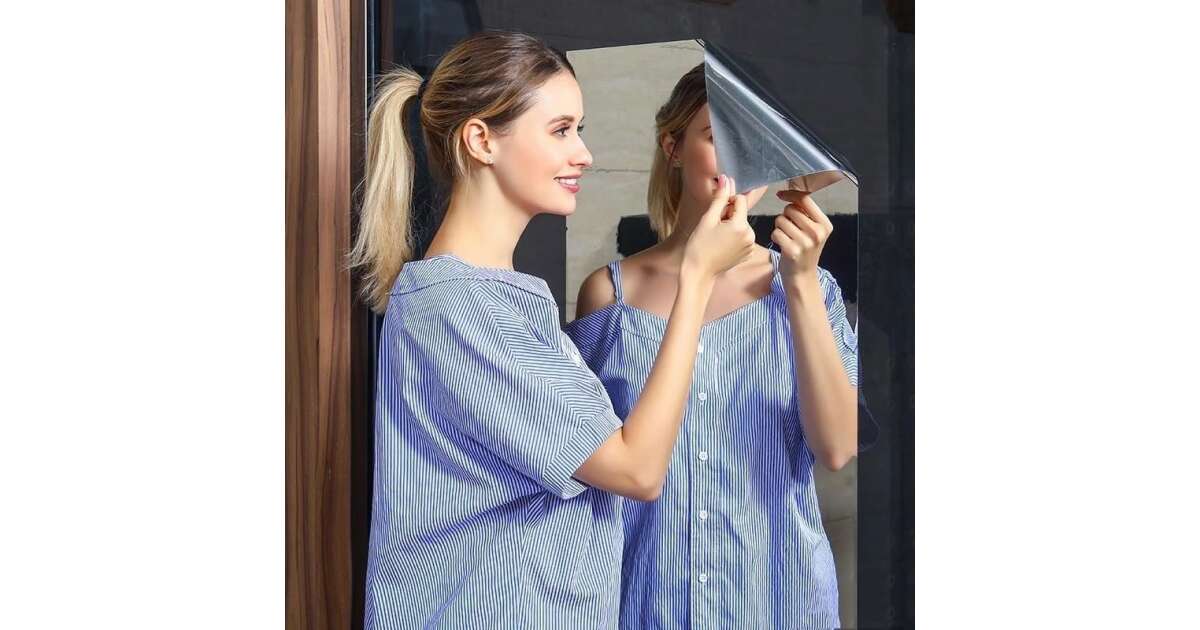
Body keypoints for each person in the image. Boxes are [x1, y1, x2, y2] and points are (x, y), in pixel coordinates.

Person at [350, 34, 756, 629]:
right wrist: (696, 279)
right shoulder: (460, 310)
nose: (584, 154)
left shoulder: (504, 301)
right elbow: (637, 469)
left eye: (579, 129)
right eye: (561, 130)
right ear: (482, 140)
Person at [566, 63, 860, 629]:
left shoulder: (809, 286)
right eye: (719, 137)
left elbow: (837, 448)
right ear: (672, 147)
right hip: (647, 603)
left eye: (755, 141)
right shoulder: (609, 295)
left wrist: (799, 282)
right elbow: (596, 471)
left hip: (779, 599)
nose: (741, 161)